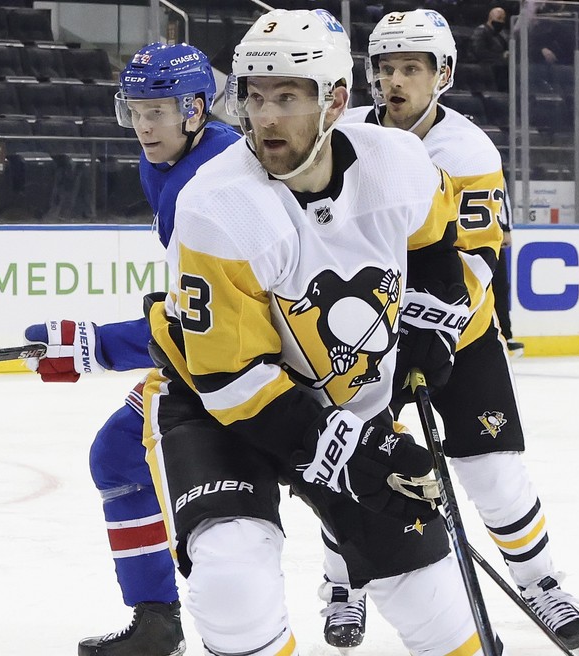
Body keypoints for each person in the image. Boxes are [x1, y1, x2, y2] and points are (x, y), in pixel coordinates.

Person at [141, 8, 506, 656]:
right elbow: (231, 379)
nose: (265, 116)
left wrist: (429, 331)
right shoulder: (217, 205)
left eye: (287, 96)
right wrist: (346, 454)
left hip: (342, 399)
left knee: (436, 606)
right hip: (221, 410)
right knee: (233, 576)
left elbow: (433, 250)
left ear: (335, 100)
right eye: (254, 97)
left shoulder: (399, 163)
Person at [326, 9, 579, 652]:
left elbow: (476, 260)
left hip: (459, 332)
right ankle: (344, 582)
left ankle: (540, 579)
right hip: (363, 334)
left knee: (493, 467)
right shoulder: (347, 133)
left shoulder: (468, 150)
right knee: (352, 460)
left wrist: (436, 330)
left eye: (410, 68)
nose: (394, 80)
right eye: (385, 68)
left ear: (441, 74)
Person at [23, 43, 241, 656]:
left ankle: (347, 581)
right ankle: (157, 621)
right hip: (212, 359)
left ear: (196, 110)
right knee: (120, 456)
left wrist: (92, 346)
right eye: (134, 110)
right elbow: (188, 304)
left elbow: (213, 321)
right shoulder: (166, 163)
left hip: (256, 368)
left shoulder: (219, 181)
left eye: (159, 110)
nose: (144, 126)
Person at [491, 185, 523, 357]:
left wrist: (506, 229)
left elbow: (501, 194)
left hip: (493, 236)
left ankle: (505, 335)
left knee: (500, 287)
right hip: (465, 236)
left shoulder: (491, 160)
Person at [469, 5, 509, 92]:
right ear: (490, 18)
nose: (501, 21)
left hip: (500, 68)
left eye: (503, 19)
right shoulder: (481, 31)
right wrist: (501, 57)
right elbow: (479, 52)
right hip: (487, 68)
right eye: (499, 18)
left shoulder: (500, 35)